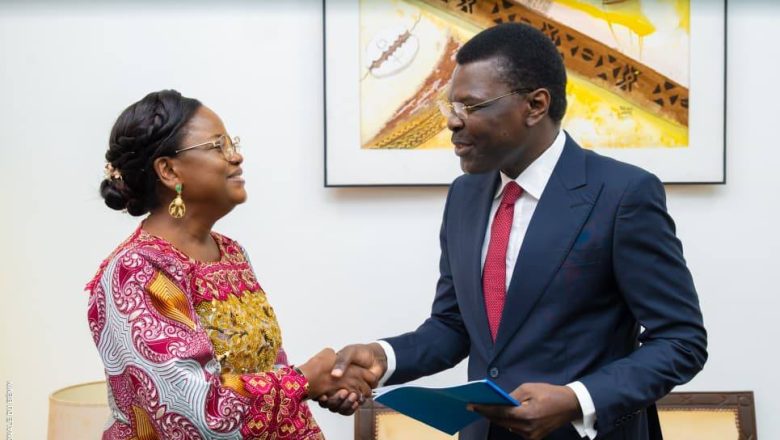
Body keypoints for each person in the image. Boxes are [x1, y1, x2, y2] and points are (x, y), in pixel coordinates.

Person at [322, 23, 707, 440]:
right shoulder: (465, 195)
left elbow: (680, 340)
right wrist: (384, 356)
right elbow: (453, 325)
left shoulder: (623, 194)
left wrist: (577, 399)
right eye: (450, 106)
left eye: (470, 106)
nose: (452, 122)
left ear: (535, 105)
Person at [86, 90, 375, 439]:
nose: (236, 156)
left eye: (231, 143)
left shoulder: (231, 253)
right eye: (217, 146)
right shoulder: (137, 270)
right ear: (168, 169)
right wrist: (304, 381)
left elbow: (270, 368)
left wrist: (324, 384)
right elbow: (194, 414)